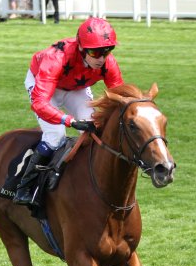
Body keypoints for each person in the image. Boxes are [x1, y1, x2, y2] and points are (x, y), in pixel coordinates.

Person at [13, 17, 124, 206]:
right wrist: (69, 120)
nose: (102, 58)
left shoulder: (107, 62)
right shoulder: (55, 58)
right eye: (95, 52)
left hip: (75, 88)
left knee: (94, 130)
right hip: (45, 85)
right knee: (55, 136)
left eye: (107, 51)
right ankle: (24, 187)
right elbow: (40, 103)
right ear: (81, 48)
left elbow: (119, 97)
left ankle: (89, 181)